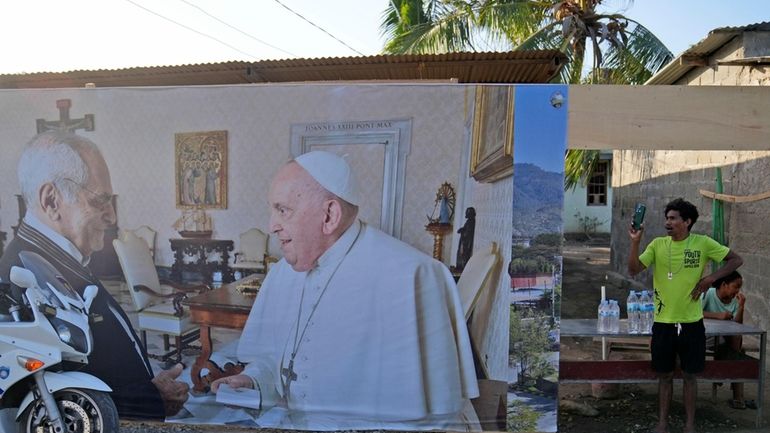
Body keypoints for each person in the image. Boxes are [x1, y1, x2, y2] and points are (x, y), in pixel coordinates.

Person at [211, 151, 479, 430]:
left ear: (329, 215)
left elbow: (431, 414)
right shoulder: (281, 274)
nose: (271, 225)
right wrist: (254, 380)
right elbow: (274, 360)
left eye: (283, 210)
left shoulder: (411, 276)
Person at [0, 131, 188, 420]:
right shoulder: (21, 278)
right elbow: (50, 404)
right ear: (51, 200)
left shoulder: (51, 257)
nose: (112, 216)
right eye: (100, 201)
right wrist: (151, 399)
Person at [628, 198, 743, 433]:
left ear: (687, 222)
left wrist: (711, 279)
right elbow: (632, 270)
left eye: (673, 218)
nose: (667, 222)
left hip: (691, 323)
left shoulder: (702, 243)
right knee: (665, 375)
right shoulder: (658, 245)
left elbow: (736, 260)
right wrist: (635, 243)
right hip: (663, 322)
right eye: (666, 218)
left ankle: (689, 425)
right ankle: (662, 423)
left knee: (690, 377)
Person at [701, 270, 753, 409]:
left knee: (736, 339)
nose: (737, 291)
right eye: (735, 286)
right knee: (737, 353)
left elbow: (738, 325)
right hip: (706, 338)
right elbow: (697, 312)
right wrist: (718, 316)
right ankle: (736, 394)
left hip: (726, 342)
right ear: (724, 284)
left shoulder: (735, 302)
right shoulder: (709, 294)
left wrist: (741, 306)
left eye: (739, 288)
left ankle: (728, 367)